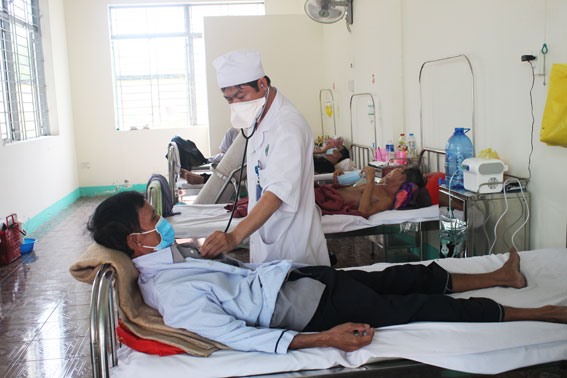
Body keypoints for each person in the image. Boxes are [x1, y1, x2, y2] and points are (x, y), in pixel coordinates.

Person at [87, 191, 567, 355]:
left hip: (300, 278)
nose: (162, 220)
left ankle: (500, 275)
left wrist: (218, 252)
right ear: (135, 242)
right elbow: (236, 336)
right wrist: (324, 340)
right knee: (418, 306)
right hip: (306, 308)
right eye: (154, 219)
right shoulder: (170, 295)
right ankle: (543, 313)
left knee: (404, 274)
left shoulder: (171, 258)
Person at [200, 50, 329, 266]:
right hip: (267, 236)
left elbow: (276, 193)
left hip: (291, 243)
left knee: (297, 296)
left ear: (262, 84)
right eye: (229, 99)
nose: (236, 104)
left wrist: (234, 236)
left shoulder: (287, 126)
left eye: (241, 97)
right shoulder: (259, 119)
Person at [315, 166, 431, 217]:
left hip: (325, 201)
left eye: (400, 169)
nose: (395, 168)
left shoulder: (386, 200)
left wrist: (370, 181)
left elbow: (363, 212)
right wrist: (340, 180)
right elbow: (351, 190)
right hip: (325, 193)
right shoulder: (378, 185)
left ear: (402, 178)